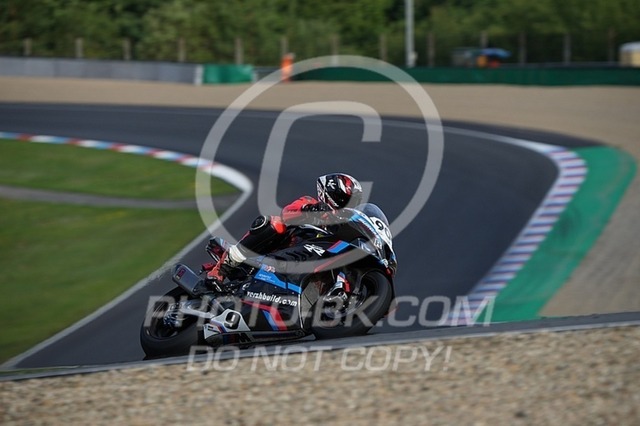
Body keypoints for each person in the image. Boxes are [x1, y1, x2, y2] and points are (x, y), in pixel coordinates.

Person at [205, 173, 363, 285]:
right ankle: (221, 269)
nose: (348, 206)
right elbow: (287, 213)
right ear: (333, 195)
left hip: (308, 267)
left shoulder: (343, 225)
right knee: (274, 223)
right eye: (345, 200)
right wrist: (310, 210)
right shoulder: (309, 203)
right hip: (277, 253)